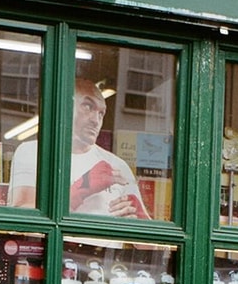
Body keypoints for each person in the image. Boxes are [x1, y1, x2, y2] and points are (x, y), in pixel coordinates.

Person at [8, 78, 149, 217]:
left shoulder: (118, 165)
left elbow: (148, 238)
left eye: (101, 113)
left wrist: (140, 218)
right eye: (88, 107)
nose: (96, 121)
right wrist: (82, 187)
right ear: (66, 106)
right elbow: (21, 215)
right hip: (58, 241)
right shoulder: (33, 152)